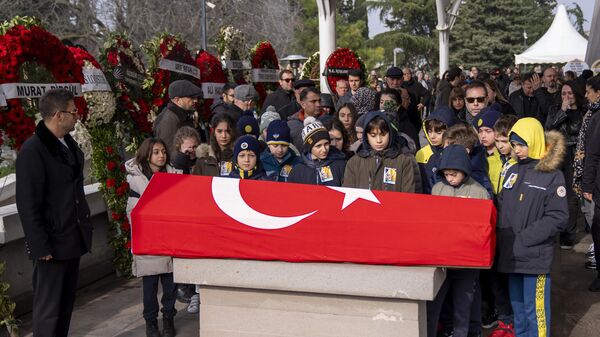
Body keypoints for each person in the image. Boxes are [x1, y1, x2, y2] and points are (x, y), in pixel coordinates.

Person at [16, 89, 92, 337]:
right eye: (73, 111)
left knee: (64, 307)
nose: (77, 116)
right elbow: (28, 204)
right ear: (59, 115)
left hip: (71, 236)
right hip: (51, 243)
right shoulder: (33, 150)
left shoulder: (66, 143)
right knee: (48, 311)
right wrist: (40, 246)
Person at [496, 118, 568, 335]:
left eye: (522, 144)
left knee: (535, 312)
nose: (517, 150)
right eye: (514, 145)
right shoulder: (511, 172)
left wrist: (525, 238)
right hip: (511, 255)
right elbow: (501, 207)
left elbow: (558, 217)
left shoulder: (552, 176)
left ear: (535, 141)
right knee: (517, 308)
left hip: (534, 256)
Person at [426, 144, 490, 337]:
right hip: (442, 260)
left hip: (466, 263)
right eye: (446, 174)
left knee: (463, 307)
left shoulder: (478, 192)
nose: (450, 178)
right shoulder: (438, 189)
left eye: (454, 173)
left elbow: (484, 228)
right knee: (435, 305)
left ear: (464, 170)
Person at [125, 137, 182, 337]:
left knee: (170, 286)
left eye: (163, 152)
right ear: (147, 154)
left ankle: (168, 317)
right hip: (148, 242)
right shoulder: (136, 179)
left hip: (169, 240)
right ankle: (151, 321)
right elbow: (133, 212)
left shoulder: (174, 175)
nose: (161, 156)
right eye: (156, 152)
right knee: (149, 288)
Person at [546, 81, 586, 249]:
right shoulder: (555, 109)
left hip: (576, 156)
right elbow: (548, 128)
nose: (567, 97)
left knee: (573, 196)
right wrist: (562, 111)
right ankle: (557, 230)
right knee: (557, 194)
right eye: (563, 93)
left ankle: (567, 233)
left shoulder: (584, 111)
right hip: (559, 156)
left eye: (570, 93)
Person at [343, 111, 420, 192]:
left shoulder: (404, 161)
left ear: (390, 134)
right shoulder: (354, 163)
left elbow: (409, 195)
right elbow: (348, 194)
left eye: (383, 135)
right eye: (373, 136)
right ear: (366, 136)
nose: (379, 140)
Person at [580, 76, 600, 290]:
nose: (586, 95)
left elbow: (592, 154)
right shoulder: (595, 116)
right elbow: (592, 154)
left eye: (589, 91)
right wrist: (587, 185)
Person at [288, 118, 346, 186]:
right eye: (318, 146)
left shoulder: (340, 165)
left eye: (326, 144)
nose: (324, 149)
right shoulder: (298, 170)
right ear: (309, 148)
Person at [154, 80, 202, 159]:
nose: (195, 100)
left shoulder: (182, 114)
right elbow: (170, 151)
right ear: (177, 100)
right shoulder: (169, 120)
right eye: (191, 97)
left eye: (196, 97)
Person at [416, 106, 459, 194]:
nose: (432, 136)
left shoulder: (456, 153)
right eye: (429, 131)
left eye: (438, 133)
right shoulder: (421, 153)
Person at [288, 87, 323, 151]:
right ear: (303, 104)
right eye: (313, 101)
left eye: (319, 101)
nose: (318, 104)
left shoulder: (329, 121)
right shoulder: (291, 125)